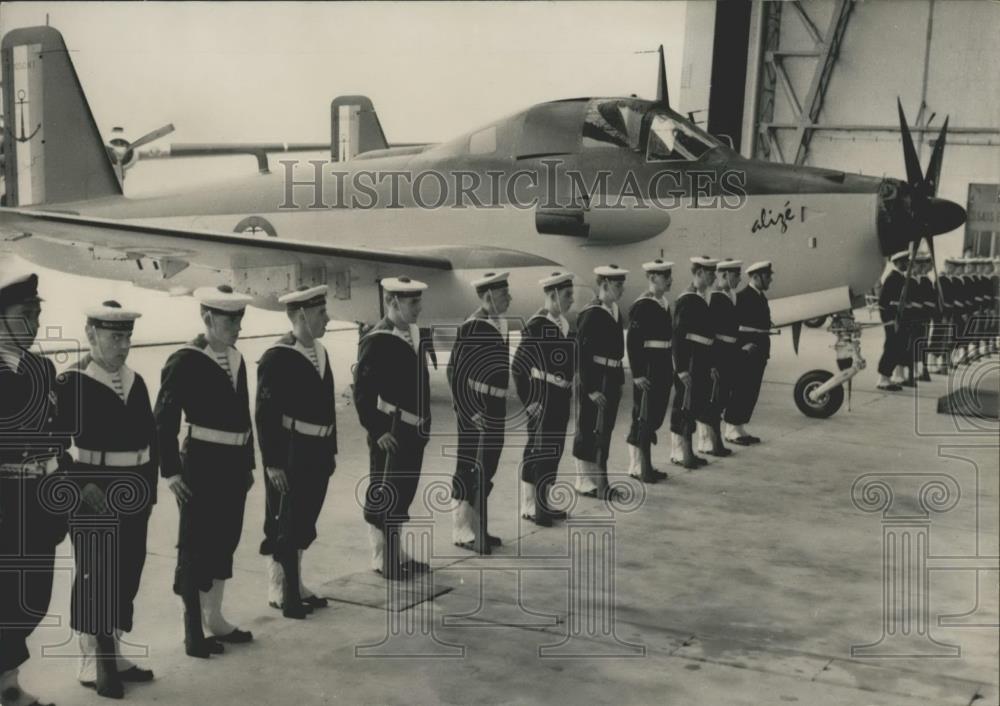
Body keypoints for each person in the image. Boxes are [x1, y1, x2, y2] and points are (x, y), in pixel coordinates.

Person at [56, 301, 158, 698]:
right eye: (116, 336)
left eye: (128, 336)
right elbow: (55, 445)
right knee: (96, 575)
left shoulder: (136, 381)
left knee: (127, 571)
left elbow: (151, 439)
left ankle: (113, 651)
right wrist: (80, 487)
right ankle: (93, 660)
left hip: (133, 490)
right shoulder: (72, 382)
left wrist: (147, 488)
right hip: (93, 491)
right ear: (91, 334)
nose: (124, 345)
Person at [154, 285, 256, 658]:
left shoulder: (237, 358)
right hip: (200, 465)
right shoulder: (185, 360)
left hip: (232, 467)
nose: (238, 326)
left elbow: (245, 416)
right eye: (231, 319)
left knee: (224, 541)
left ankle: (214, 618)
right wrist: (172, 473)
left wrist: (248, 464)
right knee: (194, 548)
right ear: (209, 318)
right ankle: (192, 629)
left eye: (241, 318)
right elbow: (163, 420)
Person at [0, 272, 68, 706]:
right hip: (5, 505)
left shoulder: (43, 368)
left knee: (32, 600)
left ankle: (6, 683)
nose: (37, 322)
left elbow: (58, 438)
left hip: (39, 504)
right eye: (27, 314)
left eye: (39, 313)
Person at [257, 286, 336, 619]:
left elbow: (329, 404)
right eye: (321, 313)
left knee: (305, 521)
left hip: (317, 451)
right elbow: (264, 414)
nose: (327, 318)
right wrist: (273, 463)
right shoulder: (277, 356)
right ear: (301, 315)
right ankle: (280, 589)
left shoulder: (320, 352)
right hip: (291, 452)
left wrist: (331, 450)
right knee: (283, 522)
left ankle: (295, 583)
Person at [353, 277, 432, 580]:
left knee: (403, 493)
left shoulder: (412, 333)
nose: (419, 308)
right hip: (391, 431)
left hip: (413, 430)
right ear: (393, 303)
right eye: (413, 303)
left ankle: (396, 553)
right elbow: (362, 392)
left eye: (419, 302)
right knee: (385, 493)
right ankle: (382, 557)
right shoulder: (377, 339)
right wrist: (377, 430)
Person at [448, 272, 511, 554]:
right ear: (487, 298)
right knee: (469, 467)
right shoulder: (474, 326)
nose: (509, 298)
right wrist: (471, 411)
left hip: (495, 407)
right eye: (503, 295)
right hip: (476, 409)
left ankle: (478, 527)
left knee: (488, 466)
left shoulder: (499, 323)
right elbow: (455, 373)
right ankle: (463, 530)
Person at [513, 272, 576, 526]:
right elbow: (518, 367)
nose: (572, 299)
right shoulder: (536, 325)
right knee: (539, 450)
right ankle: (532, 506)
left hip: (561, 395)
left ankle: (544, 503)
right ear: (552, 295)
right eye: (567, 295)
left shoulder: (563, 324)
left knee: (554, 449)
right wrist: (530, 401)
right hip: (544, 396)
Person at [573, 265, 628, 502]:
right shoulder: (591, 313)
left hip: (611, 377)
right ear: (604, 285)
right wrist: (591, 388)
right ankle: (584, 480)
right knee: (588, 428)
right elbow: (581, 355)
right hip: (596, 380)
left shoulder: (614, 311)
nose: (622, 289)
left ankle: (599, 480)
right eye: (617, 285)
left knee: (604, 431)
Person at [624, 259, 673, 483]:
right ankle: (637, 466)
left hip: (663, 364)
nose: (670, 280)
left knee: (654, 417)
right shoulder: (642, 305)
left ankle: (647, 465)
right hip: (649, 367)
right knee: (642, 417)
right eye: (665, 276)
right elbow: (633, 343)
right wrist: (638, 374)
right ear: (652, 278)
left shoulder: (663, 303)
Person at [669, 256, 717, 469]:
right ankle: (678, 451)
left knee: (695, 404)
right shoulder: (687, 299)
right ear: (698, 274)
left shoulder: (703, 297)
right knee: (683, 405)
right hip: (690, 360)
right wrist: (680, 369)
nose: (714, 276)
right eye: (710, 272)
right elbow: (678, 336)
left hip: (702, 358)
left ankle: (688, 450)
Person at [725, 260, 774, 445]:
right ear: (755, 277)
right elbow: (733, 327)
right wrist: (741, 347)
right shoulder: (743, 297)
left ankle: (739, 427)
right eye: (767, 276)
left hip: (759, 352)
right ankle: (731, 428)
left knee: (750, 392)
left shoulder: (760, 297)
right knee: (741, 390)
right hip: (746, 353)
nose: (770, 280)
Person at [700, 258, 741, 457]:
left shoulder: (730, 296)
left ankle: (714, 442)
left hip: (729, 353)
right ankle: (709, 443)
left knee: (721, 397)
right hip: (719, 352)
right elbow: (711, 333)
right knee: (713, 400)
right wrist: (712, 363)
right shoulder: (715, 298)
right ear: (724, 275)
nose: (739, 279)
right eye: (736, 275)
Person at [874, 251, 909, 390]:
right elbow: (883, 303)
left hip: (898, 320)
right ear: (896, 263)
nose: (906, 263)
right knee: (891, 347)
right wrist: (889, 320)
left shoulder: (901, 278)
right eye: (903, 261)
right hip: (892, 320)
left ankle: (890, 376)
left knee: (897, 347)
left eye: (907, 261)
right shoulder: (892, 278)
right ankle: (883, 378)